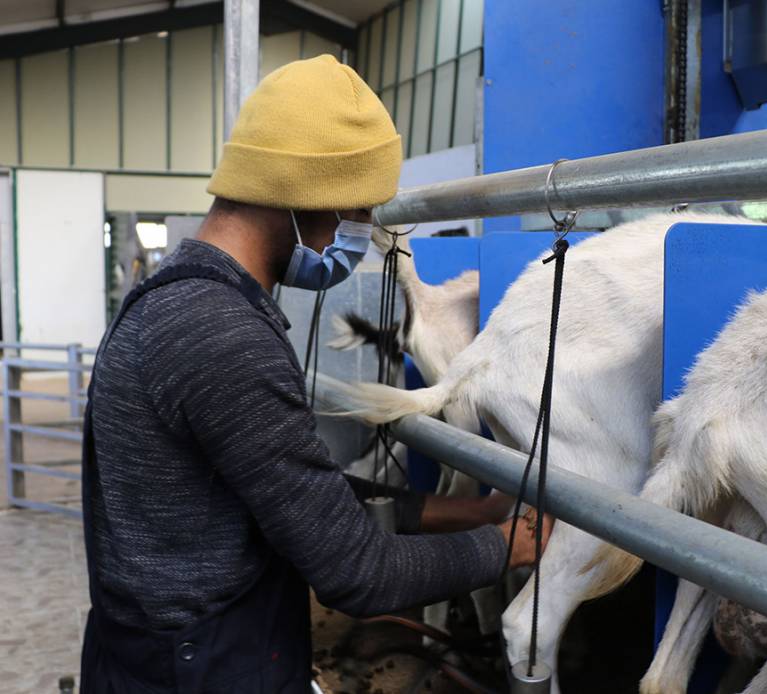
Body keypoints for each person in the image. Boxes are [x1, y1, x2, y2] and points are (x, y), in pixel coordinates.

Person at [79, 54, 548, 693]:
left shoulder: (178, 299)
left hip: (166, 648)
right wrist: (507, 546)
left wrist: (468, 512)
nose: (360, 233)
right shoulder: (220, 336)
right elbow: (359, 573)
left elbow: (299, 497)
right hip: (199, 668)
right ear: (307, 197)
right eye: (359, 213)